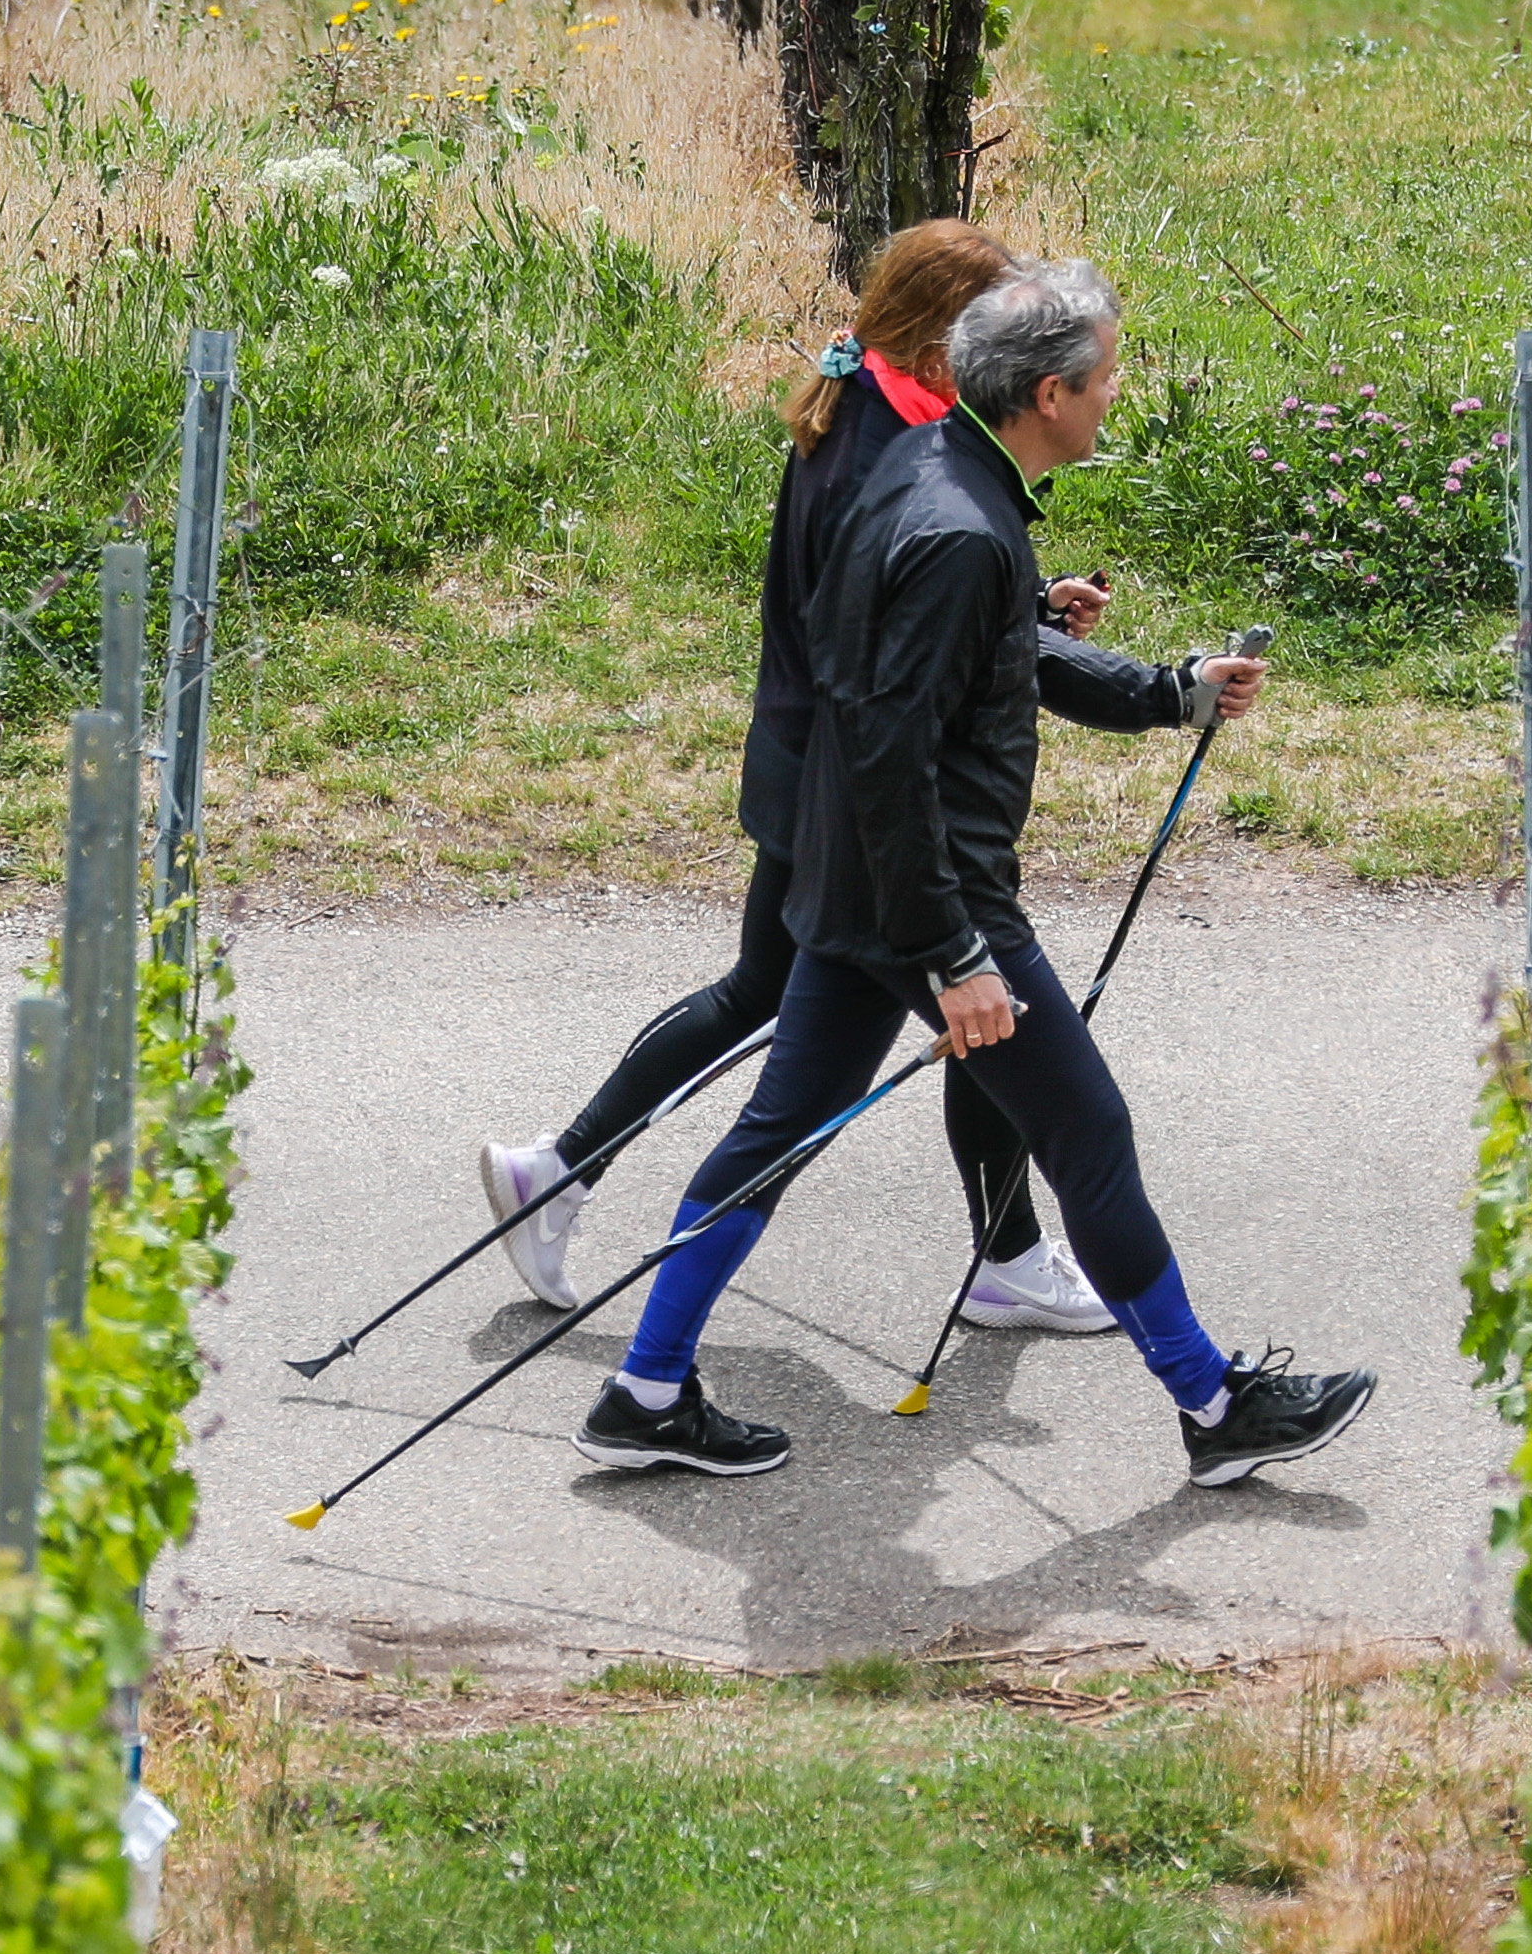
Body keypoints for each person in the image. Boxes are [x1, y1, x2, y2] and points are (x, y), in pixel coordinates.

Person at [576, 261, 1374, 1493]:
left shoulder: (935, 472)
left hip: (853, 880)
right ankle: (1214, 1405)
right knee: (1087, 1132)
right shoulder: (959, 530)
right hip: (926, 891)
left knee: (775, 1133)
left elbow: (979, 664)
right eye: (1106, 379)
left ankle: (645, 1388)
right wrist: (953, 954)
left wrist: (1171, 692)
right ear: (1048, 394)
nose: (1115, 398)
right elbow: (895, 755)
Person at [467, 219, 1117, 1342]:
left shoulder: (870, 406)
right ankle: (999, 1258)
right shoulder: (880, 442)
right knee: (973, 1002)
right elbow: (891, 648)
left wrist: (1016, 607)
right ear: (932, 341)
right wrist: (1034, 633)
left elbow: (906, 617)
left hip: (817, 769)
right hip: (854, 791)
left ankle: (561, 1173)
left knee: (780, 996)